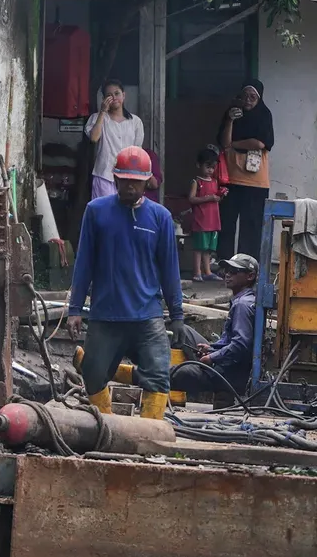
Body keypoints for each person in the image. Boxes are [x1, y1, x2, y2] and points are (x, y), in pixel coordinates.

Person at [67, 146, 184, 420]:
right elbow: (84, 263)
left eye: (137, 181)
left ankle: (149, 433)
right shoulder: (96, 212)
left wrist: (177, 315)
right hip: (106, 315)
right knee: (93, 373)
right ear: (115, 178)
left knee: (158, 375)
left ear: (147, 182)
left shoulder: (160, 218)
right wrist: (75, 309)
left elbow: (170, 270)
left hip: (147, 317)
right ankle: (106, 427)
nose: (131, 186)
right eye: (125, 180)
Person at [101, 254, 257, 397]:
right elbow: (230, 341)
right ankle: (155, 365)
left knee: (183, 373)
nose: (228, 274)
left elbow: (240, 345)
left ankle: (136, 375)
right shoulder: (241, 301)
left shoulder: (242, 305)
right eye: (227, 270)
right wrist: (212, 348)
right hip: (226, 361)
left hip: (228, 373)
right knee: (182, 332)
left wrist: (212, 357)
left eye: (234, 271)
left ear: (250, 276)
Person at [217, 79, 274, 260]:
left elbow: (260, 143)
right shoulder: (232, 112)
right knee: (226, 223)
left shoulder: (264, 115)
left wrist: (233, 144)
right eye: (245, 96)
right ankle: (225, 263)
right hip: (230, 178)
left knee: (251, 226)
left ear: (259, 98)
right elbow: (223, 141)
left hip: (255, 182)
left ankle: (247, 265)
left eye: (252, 97)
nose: (248, 100)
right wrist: (230, 120)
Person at [85, 79, 145, 201]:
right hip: (104, 175)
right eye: (109, 95)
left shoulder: (135, 122)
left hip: (127, 177)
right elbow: (94, 138)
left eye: (117, 93)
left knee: (125, 209)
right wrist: (102, 111)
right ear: (104, 99)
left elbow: (137, 151)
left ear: (124, 95)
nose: (114, 97)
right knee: (104, 210)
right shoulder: (96, 118)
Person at [188, 146, 226, 282]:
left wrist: (221, 195)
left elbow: (216, 199)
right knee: (199, 247)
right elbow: (191, 199)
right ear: (199, 165)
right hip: (201, 220)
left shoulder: (215, 182)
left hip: (213, 220)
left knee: (208, 249)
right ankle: (197, 272)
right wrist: (209, 198)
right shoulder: (196, 182)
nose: (210, 170)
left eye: (213, 167)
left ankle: (207, 271)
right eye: (207, 166)